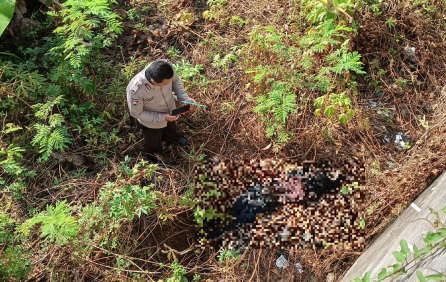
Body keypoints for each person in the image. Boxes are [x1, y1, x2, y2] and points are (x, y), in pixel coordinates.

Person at [204, 167, 345, 241]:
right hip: (267, 192)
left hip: (268, 200)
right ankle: (215, 222)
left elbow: (295, 197)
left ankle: (215, 231)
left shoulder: (314, 190)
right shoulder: (309, 175)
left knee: (243, 216)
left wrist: (281, 192)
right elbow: (288, 178)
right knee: (241, 204)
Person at [126, 59, 197, 163]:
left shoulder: (166, 67)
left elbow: (176, 81)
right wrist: (162, 117)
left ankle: (172, 140)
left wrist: (184, 98)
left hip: (171, 112)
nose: (169, 84)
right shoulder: (136, 90)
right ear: (154, 81)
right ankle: (154, 157)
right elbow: (136, 113)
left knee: (171, 129)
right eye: (166, 84)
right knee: (152, 141)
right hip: (151, 123)